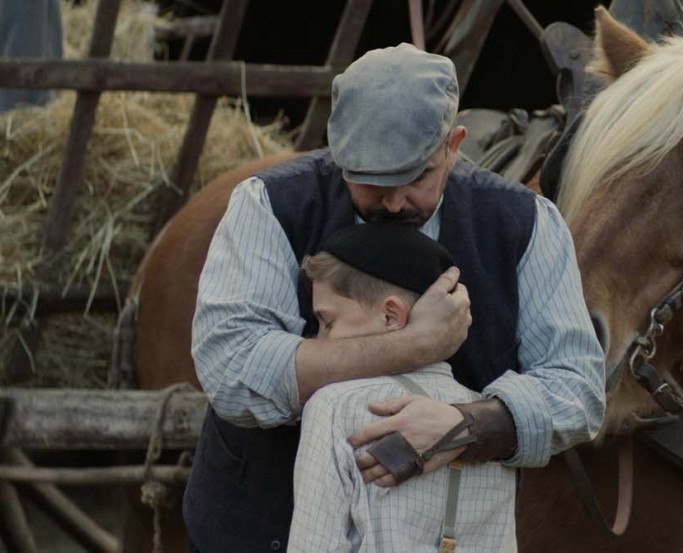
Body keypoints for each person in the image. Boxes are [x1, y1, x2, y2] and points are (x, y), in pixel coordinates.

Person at [185, 43, 605, 552]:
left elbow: (577, 387)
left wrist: (462, 426)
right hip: (264, 528)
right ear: (339, 153)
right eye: (370, 181)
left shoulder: (526, 225)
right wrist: (417, 344)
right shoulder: (270, 204)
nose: (392, 200)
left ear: (453, 146)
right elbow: (231, 365)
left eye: (415, 178)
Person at [288, 224, 516, 552]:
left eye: (328, 323)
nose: (319, 341)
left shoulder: (333, 405)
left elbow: (314, 545)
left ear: (392, 316)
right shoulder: (490, 422)